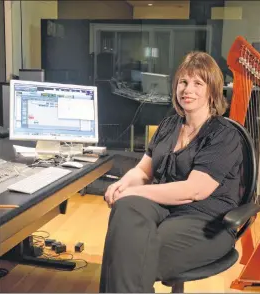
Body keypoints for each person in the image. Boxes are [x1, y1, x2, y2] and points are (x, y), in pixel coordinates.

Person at [100, 51, 243, 293]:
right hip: (165, 208)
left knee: (131, 252)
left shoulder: (224, 134)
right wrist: (122, 185)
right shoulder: (169, 125)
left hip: (207, 220)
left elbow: (192, 191)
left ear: (212, 91)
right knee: (125, 209)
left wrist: (136, 191)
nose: (188, 89)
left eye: (198, 83)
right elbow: (143, 171)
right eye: (183, 82)